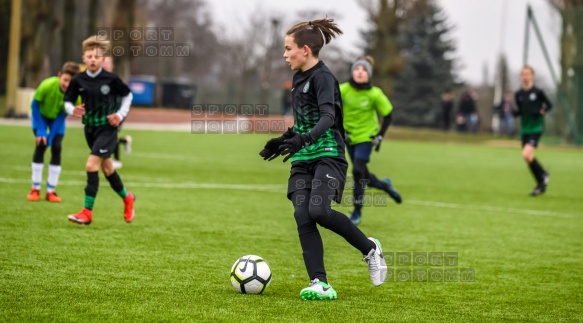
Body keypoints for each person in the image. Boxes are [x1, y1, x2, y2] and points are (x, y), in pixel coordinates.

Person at [259, 18, 387, 301]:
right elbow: (305, 122)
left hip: (328, 156)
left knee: (319, 211)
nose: (284, 54)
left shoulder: (323, 78)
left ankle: (369, 249)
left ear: (305, 50)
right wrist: (282, 141)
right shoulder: (297, 78)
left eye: (287, 48)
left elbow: (329, 117)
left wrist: (303, 139)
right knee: (302, 215)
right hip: (302, 158)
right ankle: (320, 283)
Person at [64, 36, 135, 224]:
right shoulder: (78, 79)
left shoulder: (111, 79)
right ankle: (128, 198)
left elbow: (128, 95)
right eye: (89, 56)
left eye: (97, 56)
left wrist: (119, 115)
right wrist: (73, 110)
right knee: (108, 169)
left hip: (107, 129)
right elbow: (68, 101)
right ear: (84, 59)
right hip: (90, 129)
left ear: (103, 60)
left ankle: (87, 212)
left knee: (91, 165)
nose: (93, 59)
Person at [339, 55, 402, 226]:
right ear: (352, 72)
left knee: (358, 170)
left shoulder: (375, 93)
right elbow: (331, 110)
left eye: (364, 70)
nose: (360, 73)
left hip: (366, 137)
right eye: (357, 69)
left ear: (369, 74)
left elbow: (388, 115)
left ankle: (357, 211)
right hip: (348, 137)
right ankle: (385, 186)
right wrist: (340, 130)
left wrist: (380, 135)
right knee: (363, 173)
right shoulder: (342, 90)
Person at [27, 62, 81, 202]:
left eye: (71, 82)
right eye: (65, 80)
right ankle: (35, 189)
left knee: (56, 147)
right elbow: (34, 106)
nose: (67, 85)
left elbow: (62, 116)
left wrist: (50, 138)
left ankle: (51, 191)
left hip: (57, 119)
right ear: (59, 76)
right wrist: (40, 131)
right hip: (40, 117)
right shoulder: (47, 85)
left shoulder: (76, 95)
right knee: (41, 145)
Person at [514, 65, 552, 196]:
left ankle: (543, 176)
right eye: (523, 74)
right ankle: (541, 181)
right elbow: (520, 110)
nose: (525, 77)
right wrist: (514, 113)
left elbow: (549, 105)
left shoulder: (538, 92)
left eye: (527, 74)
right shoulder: (518, 94)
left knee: (526, 154)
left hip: (536, 128)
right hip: (525, 129)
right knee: (529, 157)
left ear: (532, 76)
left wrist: (542, 111)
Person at [102, 56, 132, 169]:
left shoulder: (115, 80)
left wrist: (119, 114)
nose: (105, 65)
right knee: (108, 136)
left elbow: (126, 96)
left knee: (112, 135)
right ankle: (125, 141)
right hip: (106, 114)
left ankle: (117, 160)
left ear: (112, 66)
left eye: (107, 63)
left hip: (116, 114)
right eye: (104, 62)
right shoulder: (98, 80)